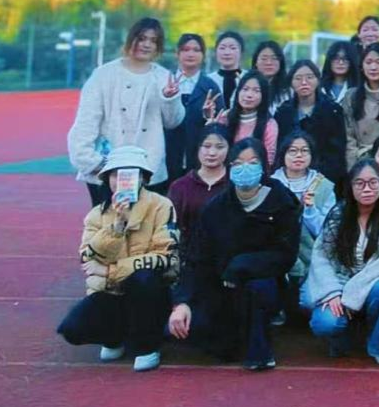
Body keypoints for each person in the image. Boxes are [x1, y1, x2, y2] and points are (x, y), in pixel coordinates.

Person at [168, 139, 300, 370]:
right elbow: (198, 259)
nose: (245, 169)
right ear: (229, 167)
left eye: (253, 162)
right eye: (238, 163)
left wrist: (243, 264)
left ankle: (260, 350)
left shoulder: (282, 200)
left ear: (264, 166)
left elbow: (285, 255)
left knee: (258, 289)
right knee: (200, 334)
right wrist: (182, 302)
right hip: (222, 285)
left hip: (265, 281)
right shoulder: (216, 207)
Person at [57, 145, 178, 372]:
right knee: (72, 329)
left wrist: (109, 271)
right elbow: (86, 256)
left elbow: (164, 256)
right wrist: (117, 227)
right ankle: (114, 337)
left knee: (143, 279)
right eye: (115, 175)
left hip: (150, 291)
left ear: (143, 178)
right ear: (107, 179)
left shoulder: (161, 205)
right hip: (110, 291)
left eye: (131, 174)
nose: (122, 181)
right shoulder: (97, 214)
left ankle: (147, 346)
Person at [67, 17, 183, 206]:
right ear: (131, 39)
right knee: (106, 222)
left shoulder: (163, 77)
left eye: (153, 41)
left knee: (145, 222)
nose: (146, 45)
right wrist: (90, 160)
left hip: (148, 167)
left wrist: (170, 98)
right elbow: (86, 122)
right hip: (106, 168)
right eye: (141, 38)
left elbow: (172, 121)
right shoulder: (104, 75)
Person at [305, 158, 379, 364]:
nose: (367, 189)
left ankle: (378, 344)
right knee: (325, 322)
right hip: (340, 281)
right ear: (350, 187)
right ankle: (341, 341)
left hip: (373, 281)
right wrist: (332, 291)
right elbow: (321, 255)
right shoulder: (339, 213)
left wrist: (351, 293)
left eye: (373, 182)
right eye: (359, 183)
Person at [272, 131, 337, 312]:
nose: (298, 155)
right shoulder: (271, 184)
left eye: (304, 151)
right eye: (293, 151)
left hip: (315, 256)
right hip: (278, 255)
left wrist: (310, 210)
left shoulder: (324, 186)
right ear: (283, 154)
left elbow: (326, 231)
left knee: (308, 302)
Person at [276, 59, 347, 187]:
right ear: (291, 82)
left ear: (318, 80)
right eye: (298, 78)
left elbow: (337, 152)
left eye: (309, 77)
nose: (304, 82)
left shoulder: (333, 110)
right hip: (289, 177)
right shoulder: (283, 112)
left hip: (325, 178)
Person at [168, 127, 230, 265]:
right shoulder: (180, 186)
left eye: (220, 147)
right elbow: (171, 227)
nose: (212, 153)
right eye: (206, 146)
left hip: (228, 258)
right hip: (189, 259)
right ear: (198, 148)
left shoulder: (235, 183)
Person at [167, 33, 220, 184]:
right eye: (185, 49)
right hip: (167, 155)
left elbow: (219, 123)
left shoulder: (210, 86)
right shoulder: (165, 81)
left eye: (196, 50)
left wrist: (209, 116)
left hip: (199, 158)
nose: (191, 54)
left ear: (203, 55)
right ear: (177, 53)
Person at [206, 71, 279, 167]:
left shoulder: (269, 124)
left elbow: (268, 161)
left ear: (264, 96)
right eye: (245, 89)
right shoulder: (225, 117)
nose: (249, 95)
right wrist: (211, 127)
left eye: (256, 91)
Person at [250, 40, 291, 115]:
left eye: (274, 58)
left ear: (280, 62)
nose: (269, 63)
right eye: (264, 59)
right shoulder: (245, 86)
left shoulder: (289, 90)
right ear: (256, 62)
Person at [211, 30, 245, 110]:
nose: (227, 53)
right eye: (222, 48)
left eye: (233, 48)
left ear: (241, 52)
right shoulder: (208, 80)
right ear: (216, 52)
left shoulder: (249, 79)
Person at [321, 40, 361, 106]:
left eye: (345, 58)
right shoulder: (320, 88)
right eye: (336, 58)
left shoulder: (359, 89)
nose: (341, 62)